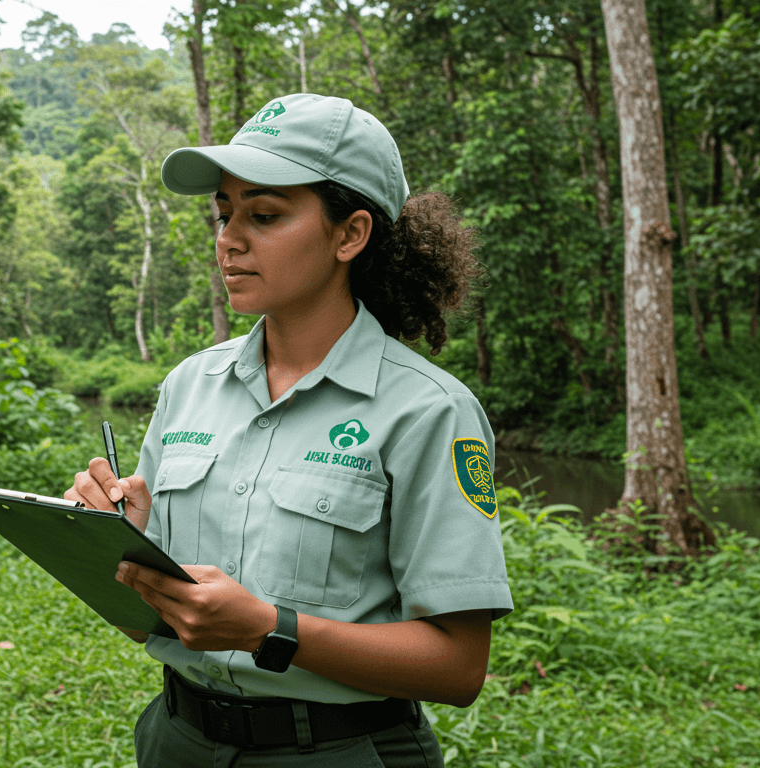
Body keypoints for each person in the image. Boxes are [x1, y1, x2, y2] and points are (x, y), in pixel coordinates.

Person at [64, 92, 513, 768]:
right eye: (224, 213)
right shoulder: (190, 385)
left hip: (338, 750)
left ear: (349, 234)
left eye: (264, 214)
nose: (229, 239)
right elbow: (146, 622)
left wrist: (271, 629)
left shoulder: (428, 411)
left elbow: (457, 668)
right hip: (177, 740)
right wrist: (112, 546)